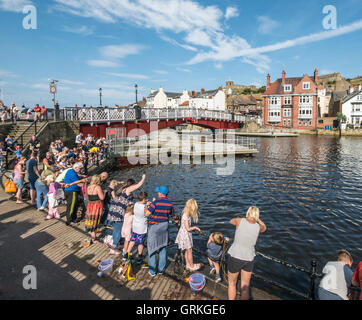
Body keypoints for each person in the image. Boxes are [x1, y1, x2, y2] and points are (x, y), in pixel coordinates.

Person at [227, 206, 267, 300]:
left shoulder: (239, 221)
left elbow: (230, 221)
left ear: (248, 212)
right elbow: (265, 227)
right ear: (257, 215)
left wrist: (243, 217)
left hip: (236, 256)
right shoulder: (258, 227)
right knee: (245, 288)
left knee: (232, 284)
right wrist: (257, 219)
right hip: (249, 259)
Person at [107, 175, 146, 255]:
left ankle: (116, 244)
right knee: (118, 231)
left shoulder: (124, 190)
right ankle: (113, 249)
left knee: (116, 229)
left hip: (114, 211)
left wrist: (141, 198)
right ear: (131, 185)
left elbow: (134, 196)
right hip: (119, 213)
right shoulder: (128, 189)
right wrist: (143, 178)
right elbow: (138, 185)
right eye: (133, 185)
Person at [145, 186, 177, 277]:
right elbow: (173, 215)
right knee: (163, 247)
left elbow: (147, 214)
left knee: (152, 248)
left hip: (154, 227)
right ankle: (161, 270)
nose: (157, 193)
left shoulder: (155, 203)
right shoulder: (170, 204)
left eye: (158, 192)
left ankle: (152, 271)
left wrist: (147, 205)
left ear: (161, 193)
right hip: (164, 227)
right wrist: (177, 220)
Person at [175, 199, 201, 272]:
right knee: (190, 251)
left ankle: (188, 264)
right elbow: (188, 228)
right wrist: (195, 227)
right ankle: (192, 266)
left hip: (184, 234)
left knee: (187, 250)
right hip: (185, 235)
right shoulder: (186, 216)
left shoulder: (186, 214)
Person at [127, 192, 148, 265]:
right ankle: (139, 257)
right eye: (146, 199)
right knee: (140, 243)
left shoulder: (135, 204)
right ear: (144, 199)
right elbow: (146, 214)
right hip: (142, 229)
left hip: (135, 227)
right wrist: (148, 205)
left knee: (132, 241)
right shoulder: (144, 207)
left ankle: (127, 255)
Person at [84, 175, 105, 244]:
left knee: (91, 219)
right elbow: (102, 198)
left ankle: (91, 233)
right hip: (97, 205)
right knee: (95, 220)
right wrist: (104, 192)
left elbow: (86, 197)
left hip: (90, 205)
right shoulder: (98, 187)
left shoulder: (88, 187)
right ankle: (93, 238)